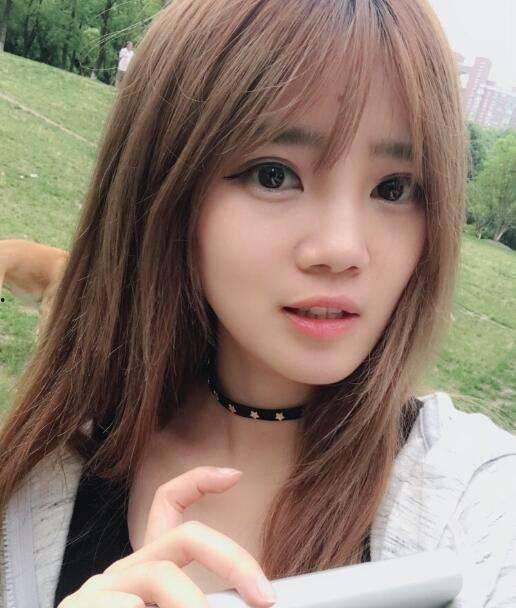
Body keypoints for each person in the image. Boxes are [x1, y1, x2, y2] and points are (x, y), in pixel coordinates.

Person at [0, 1, 515, 607]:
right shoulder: (39, 480)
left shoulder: (474, 503)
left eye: (394, 188)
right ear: (163, 188)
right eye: (274, 175)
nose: (342, 250)